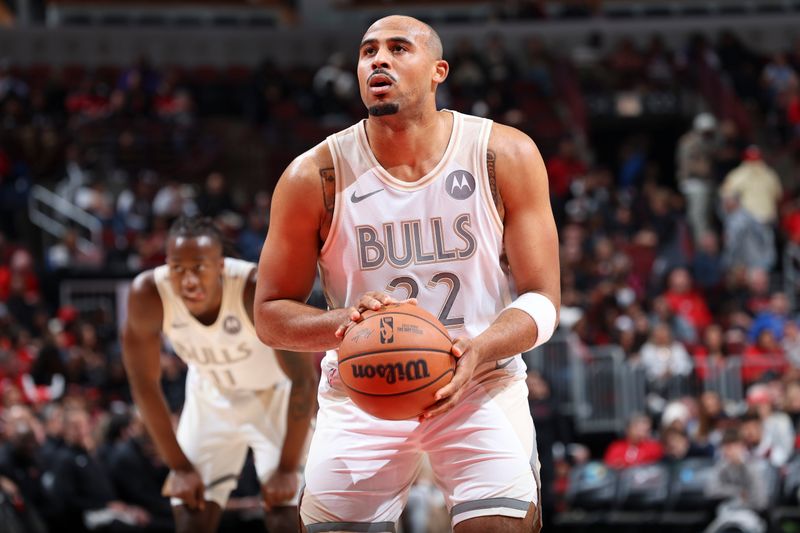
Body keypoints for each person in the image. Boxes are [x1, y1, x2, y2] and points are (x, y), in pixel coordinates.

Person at [254, 15, 560, 533]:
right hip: (363, 390)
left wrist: (480, 350)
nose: (379, 59)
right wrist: (344, 325)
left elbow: (544, 300)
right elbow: (269, 315)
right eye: (368, 51)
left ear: (438, 70)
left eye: (399, 49)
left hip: (478, 382)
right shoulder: (313, 175)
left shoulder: (502, 152)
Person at [122, 216, 317, 533]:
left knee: (286, 514)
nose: (188, 280)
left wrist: (285, 468)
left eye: (198, 267)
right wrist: (180, 467)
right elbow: (143, 383)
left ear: (221, 266)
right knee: (190, 511)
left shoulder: (252, 288)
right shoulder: (148, 294)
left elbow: (303, 379)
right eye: (177, 269)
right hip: (210, 394)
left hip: (275, 395)